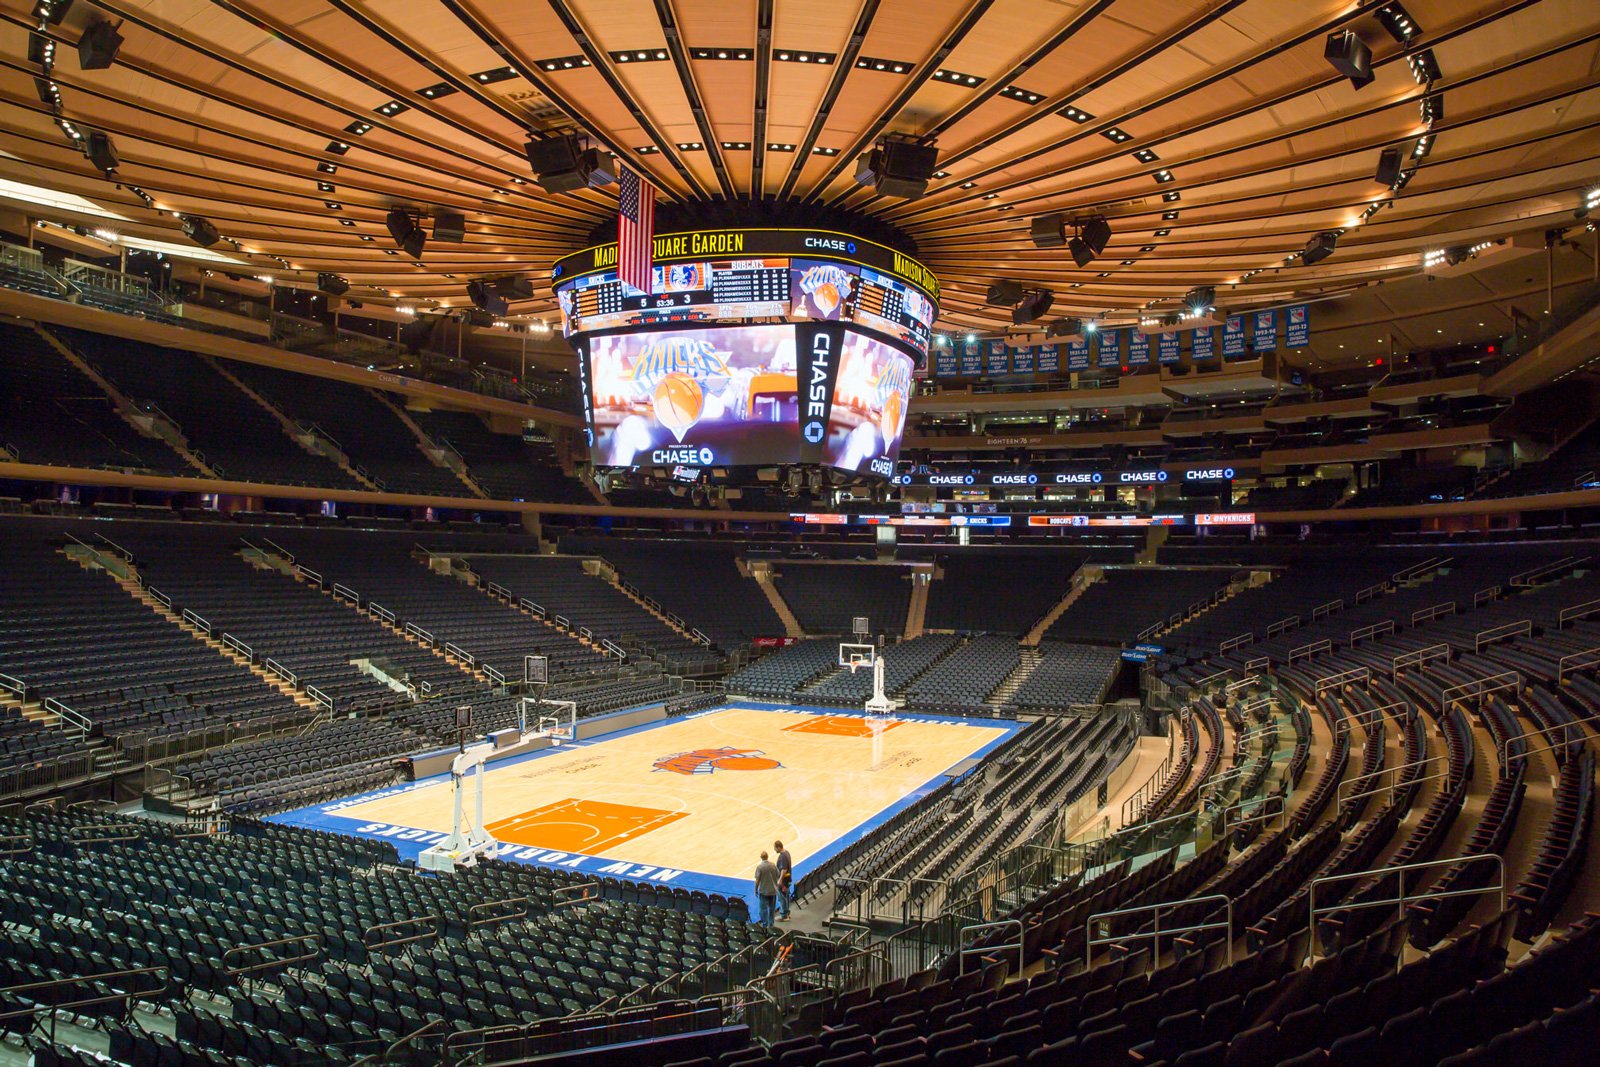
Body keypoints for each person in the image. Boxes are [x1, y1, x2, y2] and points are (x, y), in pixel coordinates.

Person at [754, 850, 779, 927]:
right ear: (767, 857)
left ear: (761, 858)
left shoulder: (760, 867)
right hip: (773, 891)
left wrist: (755, 889)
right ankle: (771, 924)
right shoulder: (773, 865)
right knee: (772, 908)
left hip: (764, 891)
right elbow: (777, 875)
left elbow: (757, 880)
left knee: (763, 909)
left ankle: (765, 924)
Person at [774, 840, 793, 921]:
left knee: (782, 898)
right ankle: (787, 913)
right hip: (787, 879)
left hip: (784, 881)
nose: (774, 850)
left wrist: (780, 880)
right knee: (786, 896)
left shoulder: (782, 856)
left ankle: (784, 915)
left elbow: (784, 869)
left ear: (778, 847)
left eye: (775, 848)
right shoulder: (787, 852)